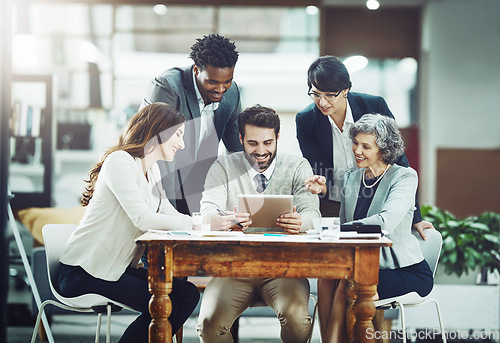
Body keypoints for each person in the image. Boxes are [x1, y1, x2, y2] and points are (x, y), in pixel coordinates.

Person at [56, 103, 200, 342]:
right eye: (178, 135)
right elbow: (142, 218)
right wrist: (196, 226)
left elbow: (168, 213)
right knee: (167, 302)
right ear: (160, 131)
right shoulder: (120, 161)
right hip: (84, 273)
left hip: (114, 270)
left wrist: (205, 223)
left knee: (187, 294)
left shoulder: (152, 172)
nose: (181, 144)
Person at [196, 105, 320, 343]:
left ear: (277, 138)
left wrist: (301, 221)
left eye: (267, 143)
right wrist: (225, 221)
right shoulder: (223, 167)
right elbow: (206, 213)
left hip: (284, 271)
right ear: (241, 138)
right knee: (209, 325)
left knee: (298, 319)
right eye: (252, 143)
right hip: (232, 269)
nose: (261, 151)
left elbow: (313, 213)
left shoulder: (297, 166)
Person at [316, 114, 434, 343]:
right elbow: (343, 226)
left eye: (366, 146)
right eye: (356, 143)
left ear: (383, 149)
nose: (357, 150)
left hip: (404, 271)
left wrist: (339, 230)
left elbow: (385, 222)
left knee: (347, 284)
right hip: (361, 266)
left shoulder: (404, 177)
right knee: (326, 277)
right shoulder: (352, 178)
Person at [296, 55, 434, 238]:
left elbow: (398, 160)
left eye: (330, 95)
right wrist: (322, 187)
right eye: (316, 94)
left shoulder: (373, 106)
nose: (322, 102)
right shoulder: (306, 120)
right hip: (335, 203)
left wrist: (416, 217)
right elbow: (319, 169)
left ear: (345, 89)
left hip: (378, 201)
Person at [141, 33, 242, 215]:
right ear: (196, 70)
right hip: (160, 182)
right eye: (213, 82)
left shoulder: (232, 93)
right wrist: (168, 213)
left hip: (197, 186)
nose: (221, 89)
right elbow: (159, 155)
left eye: (227, 81)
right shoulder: (166, 88)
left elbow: (238, 151)